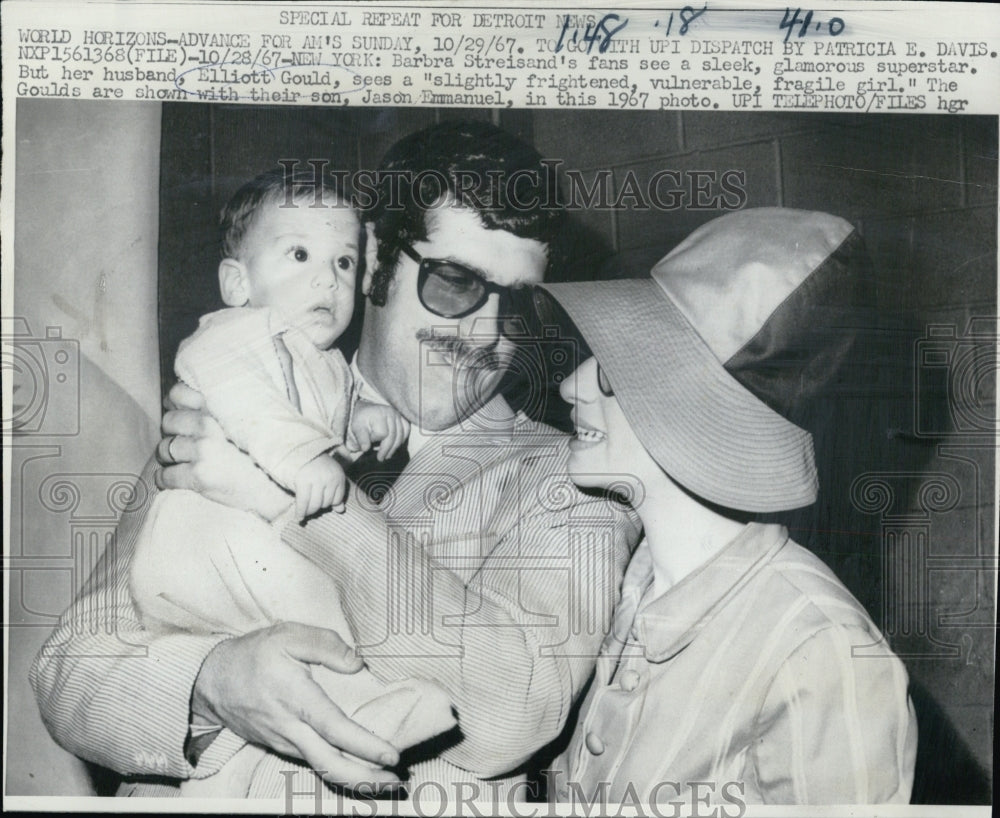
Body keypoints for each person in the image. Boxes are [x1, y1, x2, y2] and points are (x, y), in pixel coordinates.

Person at [30, 121, 640, 803]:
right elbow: (67, 669)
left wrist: (304, 505)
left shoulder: (576, 476)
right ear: (373, 256)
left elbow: (515, 710)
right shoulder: (237, 405)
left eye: (519, 302)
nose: (488, 332)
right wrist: (209, 684)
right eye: (455, 283)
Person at [540, 207, 918, 806]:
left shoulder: (821, 654)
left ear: (695, 413)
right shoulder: (634, 582)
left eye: (615, 370)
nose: (571, 386)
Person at [127, 168, 454, 796]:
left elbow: (325, 413)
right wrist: (304, 458)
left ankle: (349, 705)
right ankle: (356, 700)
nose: (327, 279)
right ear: (238, 282)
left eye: (343, 261)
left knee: (310, 607)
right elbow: (249, 403)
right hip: (198, 543)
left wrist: (360, 419)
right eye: (299, 255)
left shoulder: (325, 362)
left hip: (240, 555)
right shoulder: (235, 333)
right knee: (313, 591)